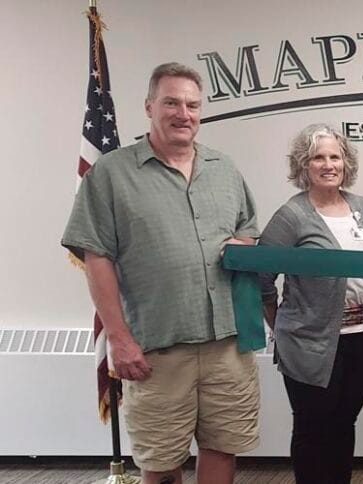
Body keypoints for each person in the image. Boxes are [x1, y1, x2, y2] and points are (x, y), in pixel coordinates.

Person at [61, 62, 260, 484]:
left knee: (223, 446)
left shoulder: (224, 168)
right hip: (157, 348)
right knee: (161, 459)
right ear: (150, 106)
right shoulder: (112, 173)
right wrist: (118, 337)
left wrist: (245, 244)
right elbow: (96, 257)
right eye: (171, 102)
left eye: (192, 105)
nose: (183, 114)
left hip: (228, 343)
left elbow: (248, 229)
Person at [259, 123, 363, 483]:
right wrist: (281, 322)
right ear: (303, 166)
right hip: (310, 343)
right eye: (318, 157)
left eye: (335, 156)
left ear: (346, 163)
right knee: (313, 429)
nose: (328, 164)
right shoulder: (292, 216)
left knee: (344, 423)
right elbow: (261, 276)